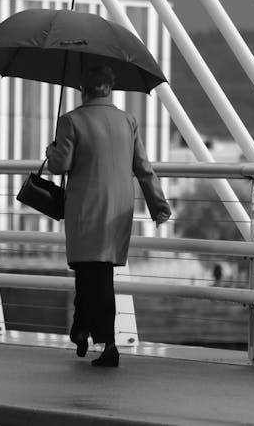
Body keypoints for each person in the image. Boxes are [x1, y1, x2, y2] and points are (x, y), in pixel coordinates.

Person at [46, 65, 170, 368]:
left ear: (82, 89)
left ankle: (107, 343)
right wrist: (158, 206)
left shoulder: (71, 120)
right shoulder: (128, 121)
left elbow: (59, 166)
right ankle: (82, 329)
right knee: (95, 274)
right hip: (118, 211)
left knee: (94, 277)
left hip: (86, 210)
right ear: (109, 89)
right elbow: (143, 166)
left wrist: (52, 150)